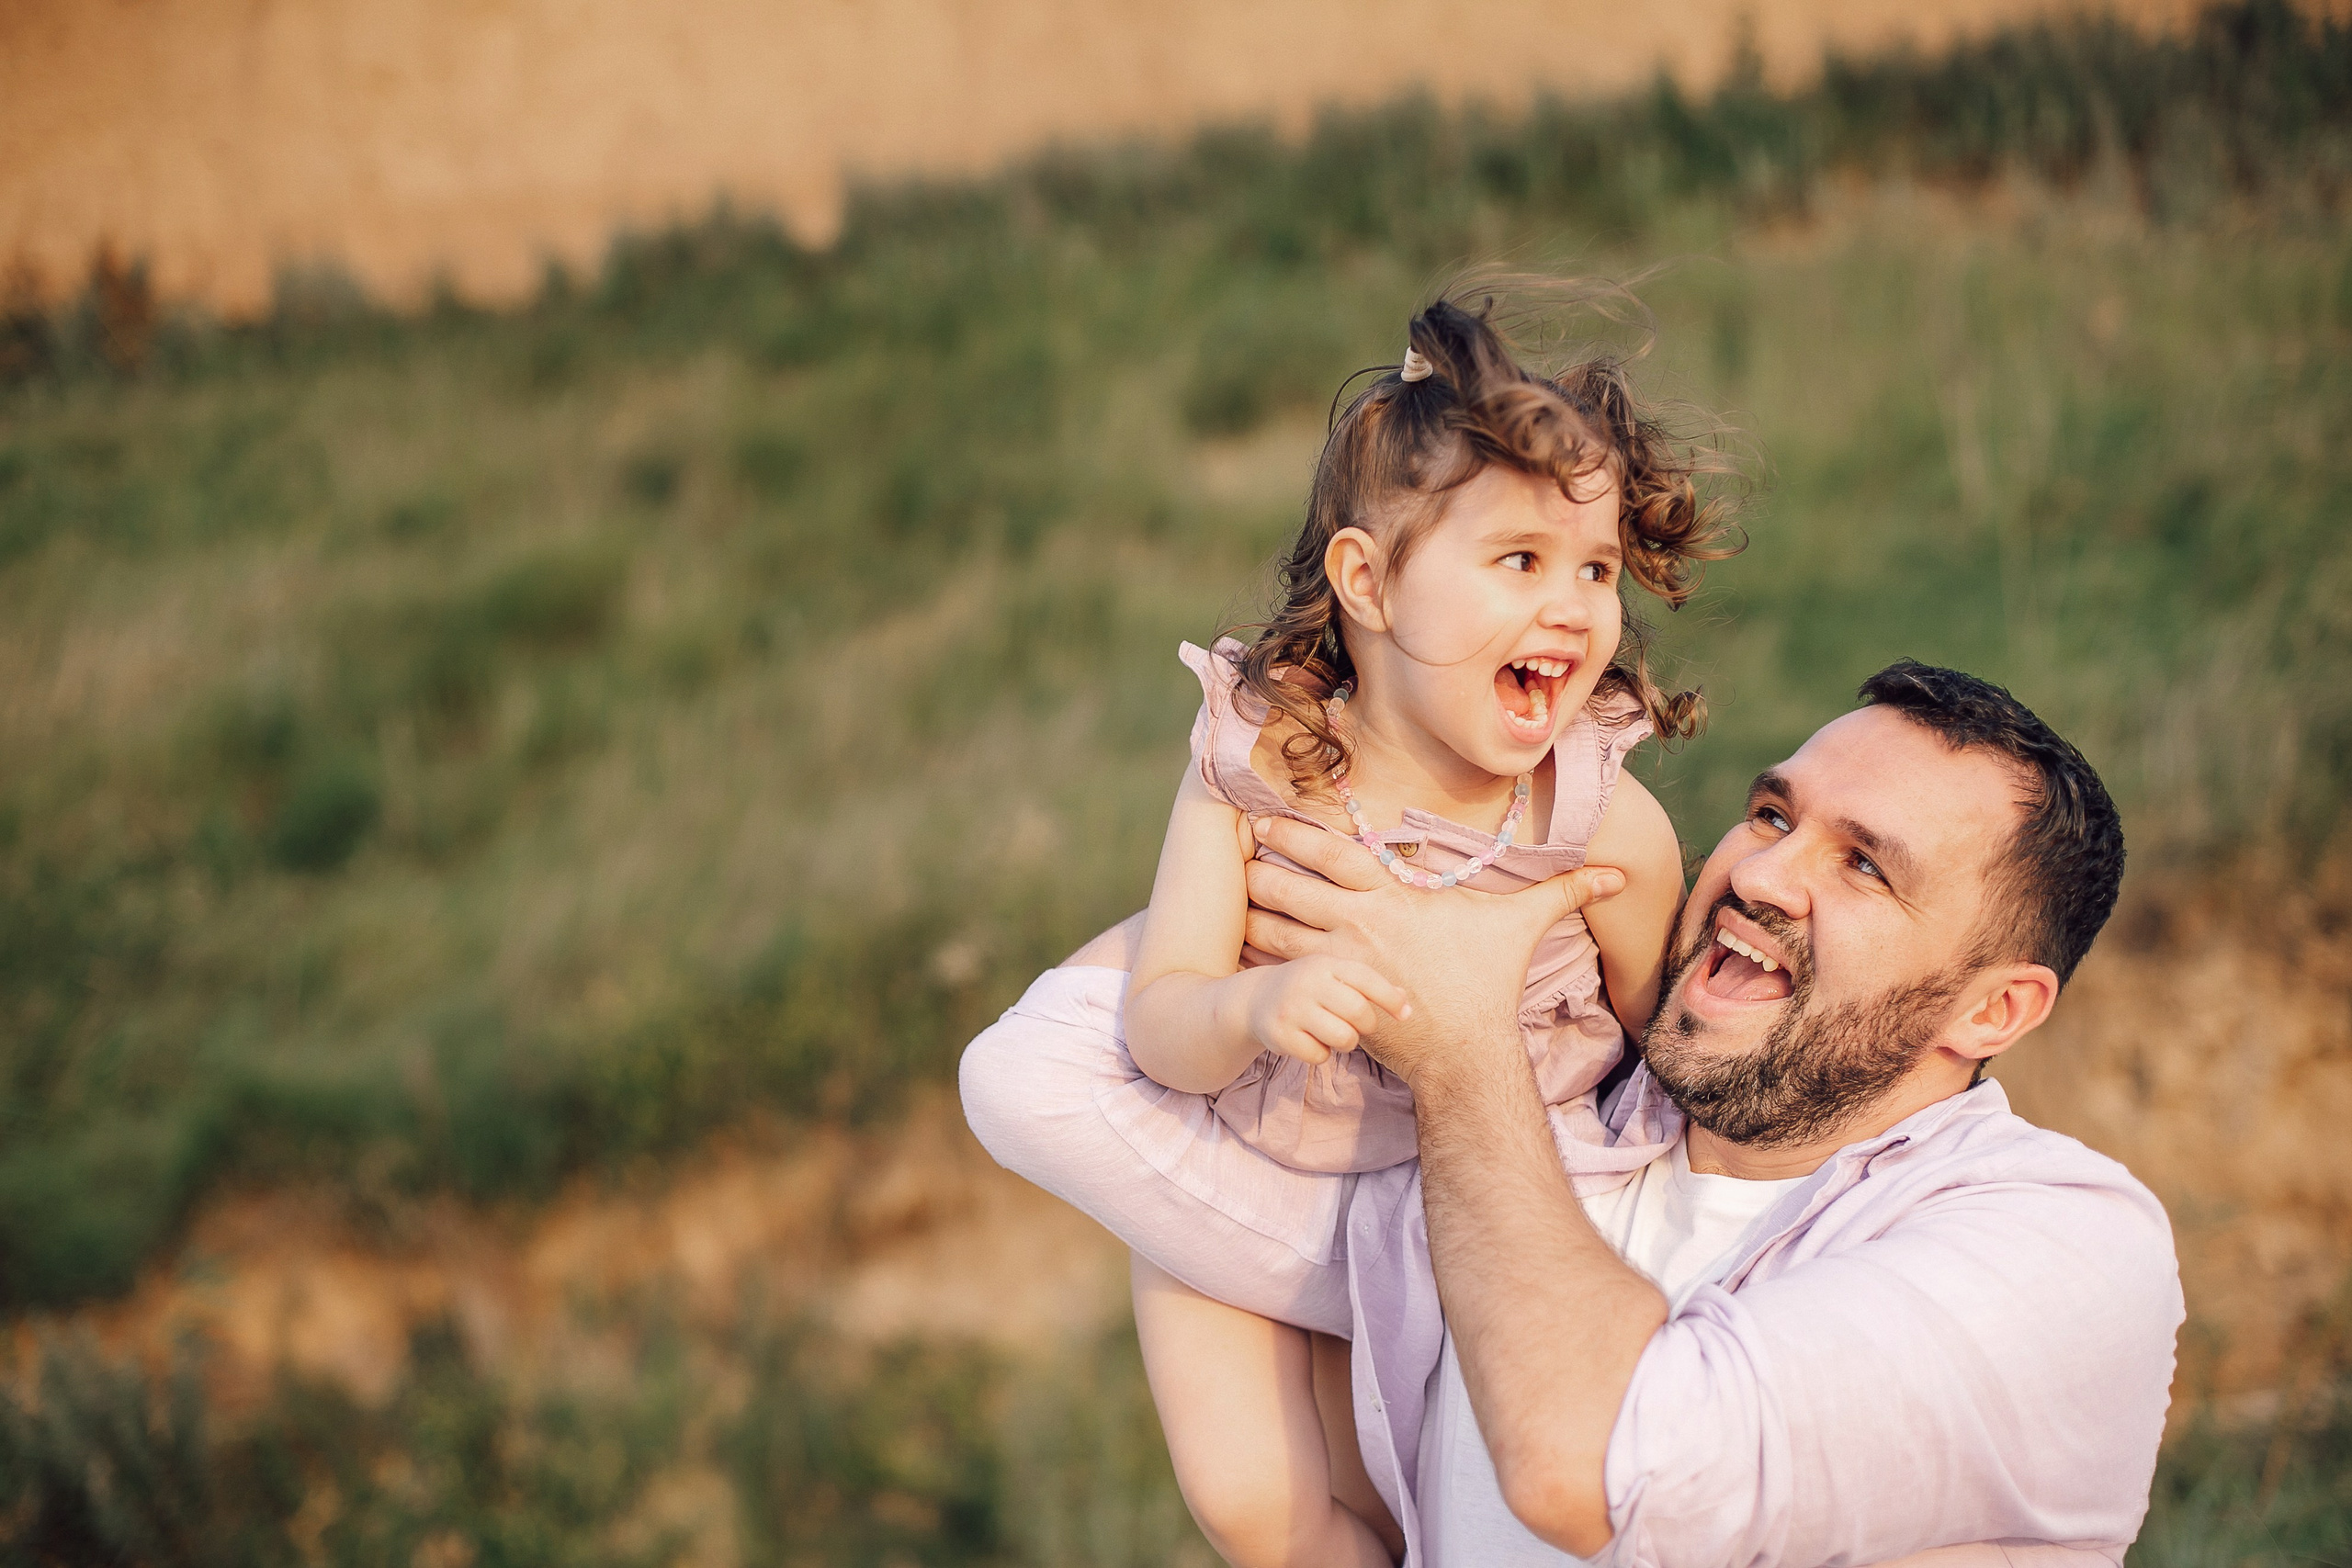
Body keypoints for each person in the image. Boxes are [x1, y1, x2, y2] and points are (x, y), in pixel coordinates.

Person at [968, 658, 2185, 1564]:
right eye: (1773, 816)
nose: (1759, 874)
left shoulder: (2066, 1244)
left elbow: (1600, 1467)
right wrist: (1373, 867)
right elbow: (1046, 1078)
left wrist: (1453, 1023)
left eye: (1864, 864)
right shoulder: (1545, 1128)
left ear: (1994, 1009)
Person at [963, 288, 1739, 1566]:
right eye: (1519, 562)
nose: (1573, 607)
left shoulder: (1606, 826)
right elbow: (1163, 1015)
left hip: (1477, 1191)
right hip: (1261, 1156)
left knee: (1425, 1495)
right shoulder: (1266, 769)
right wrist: (1251, 1009)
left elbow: (1666, 1050)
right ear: (1368, 582)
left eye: (1594, 569)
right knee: (1255, 1510)